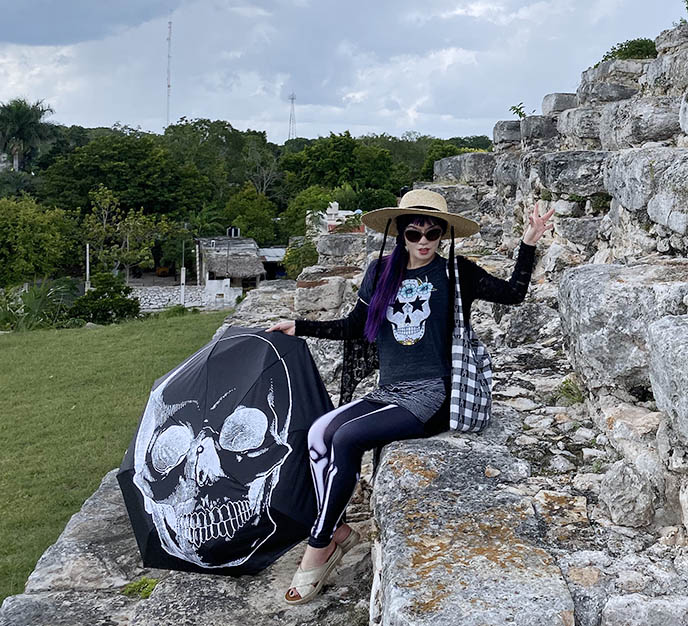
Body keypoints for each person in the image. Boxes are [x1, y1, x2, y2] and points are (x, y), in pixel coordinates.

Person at [266, 189, 554, 604]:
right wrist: (299, 325)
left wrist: (528, 242)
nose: (423, 241)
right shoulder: (380, 271)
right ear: (399, 232)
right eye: (413, 231)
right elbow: (355, 325)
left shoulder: (456, 273)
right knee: (318, 434)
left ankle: (320, 545)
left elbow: (513, 294)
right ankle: (340, 529)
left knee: (347, 439)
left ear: (443, 234)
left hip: (432, 395)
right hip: (390, 389)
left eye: (432, 232)